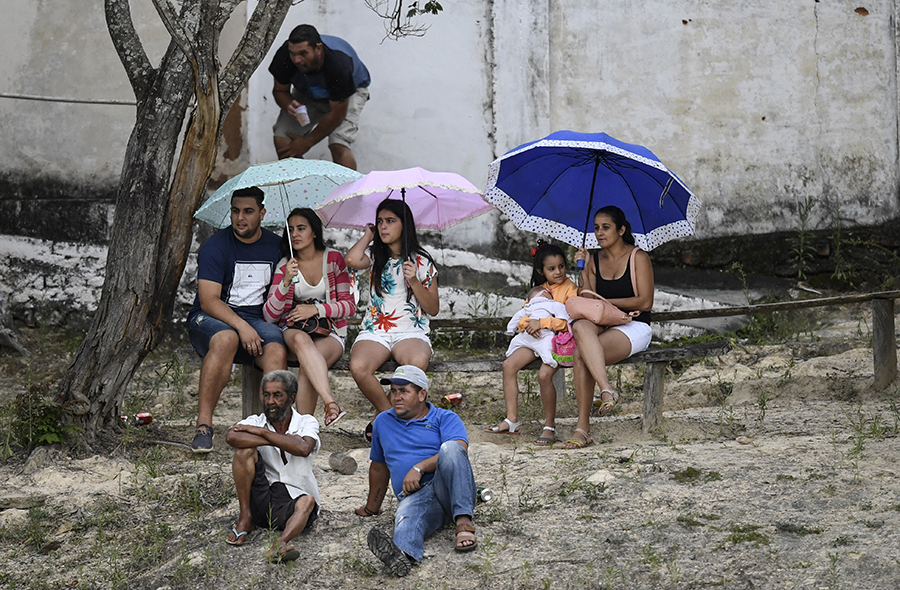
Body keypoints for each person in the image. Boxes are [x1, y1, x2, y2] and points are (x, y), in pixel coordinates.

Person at [187, 187, 286, 453]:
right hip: (210, 318)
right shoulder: (216, 246)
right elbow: (209, 300)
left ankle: (273, 429)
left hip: (257, 321)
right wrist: (241, 326)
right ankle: (204, 426)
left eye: (248, 211)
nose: (240, 217)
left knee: (276, 347)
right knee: (226, 338)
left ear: (262, 213)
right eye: (235, 211)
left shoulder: (276, 246)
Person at [354, 365, 477, 577]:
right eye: (393, 391)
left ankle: (464, 522)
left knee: (450, 448)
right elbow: (379, 467)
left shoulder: (444, 417)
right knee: (404, 517)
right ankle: (402, 555)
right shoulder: (382, 421)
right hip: (415, 495)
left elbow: (458, 450)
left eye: (404, 391)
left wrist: (419, 467)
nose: (396, 397)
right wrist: (371, 508)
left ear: (422, 394)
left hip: (448, 487)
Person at [345, 199, 439, 441]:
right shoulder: (377, 257)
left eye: (390, 221)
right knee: (359, 367)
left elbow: (433, 308)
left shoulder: (421, 261)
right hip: (376, 329)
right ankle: (389, 417)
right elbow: (352, 260)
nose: (383, 226)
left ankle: (383, 421)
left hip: (410, 330)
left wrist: (415, 281)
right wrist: (369, 235)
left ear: (404, 225)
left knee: (415, 364)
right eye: (379, 221)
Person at [568, 206, 654, 449]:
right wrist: (582, 269)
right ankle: (606, 390)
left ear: (621, 229)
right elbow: (585, 297)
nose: (599, 233)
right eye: (596, 228)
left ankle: (582, 428)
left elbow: (645, 301)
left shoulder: (638, 257)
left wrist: (606, 303)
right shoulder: (593, 259)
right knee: (581, 326)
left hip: (634, 326)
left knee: (580, 354)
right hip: (603, 324)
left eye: (606, 227)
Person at [263, 208, 355, 426]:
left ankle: (301, 430)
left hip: (331, 331)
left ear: (314, 232)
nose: (295, 234)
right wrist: (285, 283)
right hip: (295, 330)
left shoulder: (333, 259)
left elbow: (349, 306)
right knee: (301, 341)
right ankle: (330, 403)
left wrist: (317, 310)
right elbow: (269, 316)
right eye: (291, 229)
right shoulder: (286, 265)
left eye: (301, 228)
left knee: (309, 364)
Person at [225, 370, 320, 563]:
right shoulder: (256, 421)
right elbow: (232, 437)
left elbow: (303, 448)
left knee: (308, 502)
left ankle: (281, 544)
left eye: (277, 395)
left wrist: (262, 434)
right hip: (262, 497)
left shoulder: (306, 422)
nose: (270, 401)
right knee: (244, 451)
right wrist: (278, 440)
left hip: (293, 499)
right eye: (266, 395)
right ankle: (245, 517)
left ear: (291, 397)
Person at [488, 241, 578, 446]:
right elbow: (525, 313)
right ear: (541, 270)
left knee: (544, 374)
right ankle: (512, 420)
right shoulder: (539, 290)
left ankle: (550, 426)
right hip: (535, 338)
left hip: (558, 341)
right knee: (508, 365)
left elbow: (570, 321)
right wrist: (527, 324)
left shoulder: (571, 289)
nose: (558, 272)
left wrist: (543, 323)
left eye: (562, 266)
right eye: (552, 268)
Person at [269, 24, 370, 169]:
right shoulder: (285, 56)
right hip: (308, 93)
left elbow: (337, 114)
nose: (297, 60)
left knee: (338, 143)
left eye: (303, 53)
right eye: (293, 53)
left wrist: (306, 142)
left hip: (349, 93)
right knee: (283, 139)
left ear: (318, 49)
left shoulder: (338, 64)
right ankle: (304, 190)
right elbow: (279, 91)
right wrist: (288, 104)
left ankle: (351, 192)